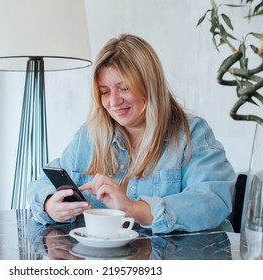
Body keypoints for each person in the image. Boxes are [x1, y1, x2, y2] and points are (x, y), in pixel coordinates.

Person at [27, 33, 236, 234]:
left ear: (150, 85)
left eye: (124, 88)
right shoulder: (89, 135)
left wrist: (134, 209)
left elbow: (213, 200)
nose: (114, 102)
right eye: (104, 92)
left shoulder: (192, 134)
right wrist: (50, 204)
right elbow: (43, 182)